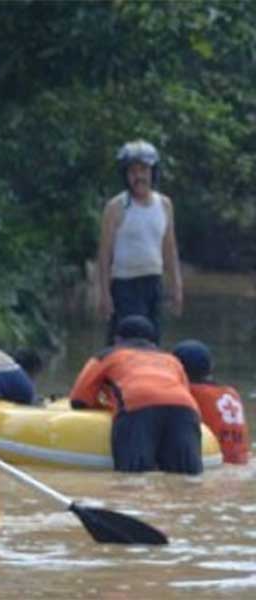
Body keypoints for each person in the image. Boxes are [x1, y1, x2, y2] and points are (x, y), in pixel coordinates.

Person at [69, 315, 202, 474]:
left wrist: (108, 407)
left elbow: (79, 400)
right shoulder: (172, 360)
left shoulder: (106, 356)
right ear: (153, 343)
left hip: (137, 407)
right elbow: (184, 392)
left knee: (134, 479)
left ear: (117, 340)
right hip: (185, 410)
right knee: (186, 480)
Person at [97, 140, 183, 345]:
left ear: (153, 172)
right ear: (126, 176)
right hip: (125, 285)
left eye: (143, 170)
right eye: (133, 171)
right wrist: (104, 294)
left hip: (153, 283)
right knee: (125, 343)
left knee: (153, 342)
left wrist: (176, 287)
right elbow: (104, 253)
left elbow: (169, 248)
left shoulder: (164, 204)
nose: (139, 177)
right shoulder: (116, 207)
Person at [173, 339, 251, 464]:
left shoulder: (188, 393)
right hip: (241, 461)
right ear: (210, 367)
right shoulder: (232, 393)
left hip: (214, 464)